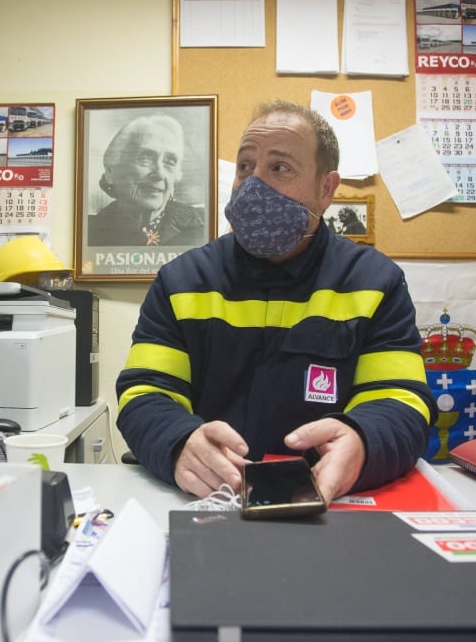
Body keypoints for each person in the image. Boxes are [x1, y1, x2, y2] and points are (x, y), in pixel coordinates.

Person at [115, 100, 436, 503]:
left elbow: (399, 399)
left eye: (279, 168)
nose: (253, 185)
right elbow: (145, 390)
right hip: (205, 501)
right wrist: (178, 442)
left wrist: (363, 443)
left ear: (326, 189)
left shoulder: (374, 284)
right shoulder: (181, 282)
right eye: (245, 167)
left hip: (327, 506)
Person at [87, 114, 206, 247]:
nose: (160, 173)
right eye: (145, 158)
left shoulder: (202, 226)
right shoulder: (91, 233)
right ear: (110, 170)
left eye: (169, 162)